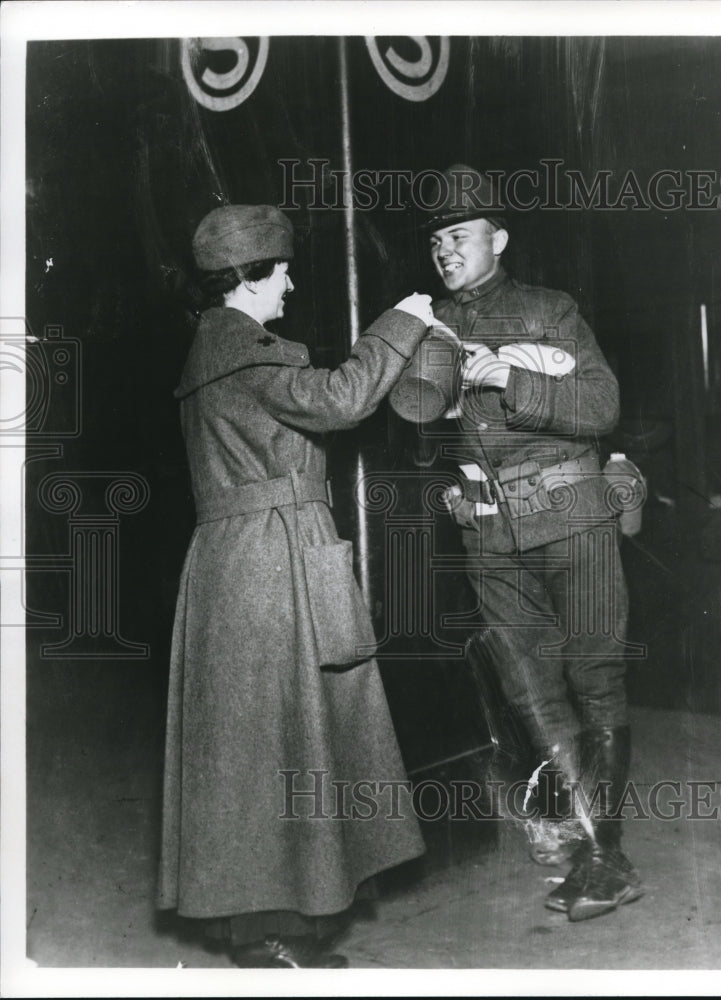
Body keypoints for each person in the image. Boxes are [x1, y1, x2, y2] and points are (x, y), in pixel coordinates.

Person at [157, 204, 431, 967]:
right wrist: (398, 324)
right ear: (249, 278)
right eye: (280, 269)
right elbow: (341, 399)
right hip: (269, 561)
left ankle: (266, 918)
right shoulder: (247, 351)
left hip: (232, 558)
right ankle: (271, 931)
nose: (290, 282)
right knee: (280, 738)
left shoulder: (211, 347)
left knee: (249, 743)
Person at [416, 165, 643, 922]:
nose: (446, 250)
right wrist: (448, 480)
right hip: (489, 534)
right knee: (528, 688)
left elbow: (603, 402)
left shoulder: (548, 309)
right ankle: (589, 849)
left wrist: (514, 380)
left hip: (573, 515)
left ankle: (606, 858)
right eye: (437, 239)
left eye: (460, 234)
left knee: (595, 676)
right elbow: (421, 423)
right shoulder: (429, 323)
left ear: (497, 239)